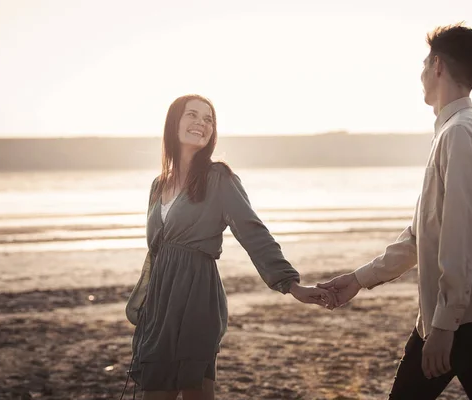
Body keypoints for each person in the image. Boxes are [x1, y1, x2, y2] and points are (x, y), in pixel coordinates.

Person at [318, 24, 472, 399]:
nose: (420, 74)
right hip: (458, 316)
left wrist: (445, 324)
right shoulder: (459, 132)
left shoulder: (461, 134)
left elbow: (464, 237)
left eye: (424, 64)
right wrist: (358, 280)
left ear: (438, 66)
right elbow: (421, 236)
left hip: (463, 319)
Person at [124, 94, 335, 400]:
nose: (201, 124)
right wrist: (147, 304)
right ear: (173, 123)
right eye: (192, 115)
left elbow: (252, 231)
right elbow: (156, 253)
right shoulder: (158, 185)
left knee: (197, 391)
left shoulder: (218, 177)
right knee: (155, 392)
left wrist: (290, 284)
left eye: (208, 119)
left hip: (197, 294)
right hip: (160, 303)